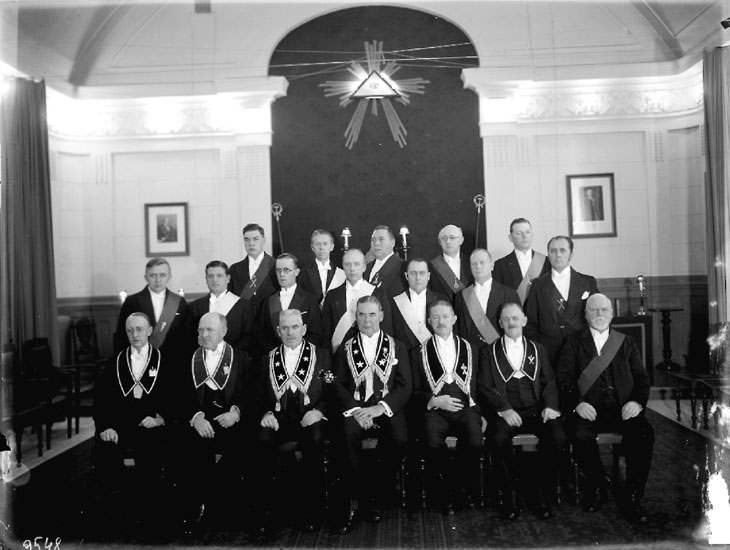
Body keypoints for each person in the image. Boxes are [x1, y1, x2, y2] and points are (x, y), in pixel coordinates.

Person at [556, 294, 653, 523]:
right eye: (594, 310)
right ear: (586, 314)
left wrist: (636, 402)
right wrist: (577, 403)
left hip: (622, 409)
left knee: (644, 434)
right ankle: (597, 484)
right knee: (579, 435)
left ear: (611, 314)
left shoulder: (626, 342)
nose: (599, 314)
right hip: (588, 410)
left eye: (604, 310)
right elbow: (563, 379)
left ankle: (632, 495)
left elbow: (642, 379)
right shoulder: (572, 342)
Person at [330, 295, 412, 534]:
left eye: (372, 314)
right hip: (356, 410)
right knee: (346, 437)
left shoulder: (397, 346)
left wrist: (380, 408)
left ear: (381, 316)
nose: (367, 320)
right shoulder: (345, 348)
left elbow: (405, 386)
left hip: (385, 408)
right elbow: (337, 384)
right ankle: (354, 500)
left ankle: (374, 495)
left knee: (399, 438)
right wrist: (357, 411)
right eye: (362, 314)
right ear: (355, 317)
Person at [478, 302, 565, 520]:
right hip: (507, 411)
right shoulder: (488, 352)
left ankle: (542, 494)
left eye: (515, 318)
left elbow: (549, 382)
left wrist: (550, 406)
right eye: (506, 319)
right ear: (500, 323)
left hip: (536, 410)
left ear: (524, 321)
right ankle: (511, 496)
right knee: (497, 439)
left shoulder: (538, 349)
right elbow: (484, 386)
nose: (511, 322)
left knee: (558, 436)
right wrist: (504, 409)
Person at [93, 312, 173, 529]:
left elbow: (175, 397)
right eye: (130, 330)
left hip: (152, 425)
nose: (135, 334)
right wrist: (106, 426)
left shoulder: (165, 361)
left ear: (149, 331)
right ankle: (117, 511)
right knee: (104, 451)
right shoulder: (115, 362)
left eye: (139, 329)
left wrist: (161, 419)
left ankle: (150, 513)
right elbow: (101, 400)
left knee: (152, 455)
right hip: (121, 425)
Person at [255, 309, 331, 533]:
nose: (290, 333)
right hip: (278, 420)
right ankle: (272, 511)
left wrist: (319, 411)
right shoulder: (267, 359)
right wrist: (265, 414)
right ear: (278, 331)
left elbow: (331, 391)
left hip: (310, 418)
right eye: (285, 328)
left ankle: (311, 511)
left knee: (315, 439)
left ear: (304, 329)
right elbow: (257, 395)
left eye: (295, 327)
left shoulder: (322, 356)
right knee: (262, 439)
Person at [177, 312, 247, 531]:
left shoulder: (241, 358)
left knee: (240, 448)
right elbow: (180, 396)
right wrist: (196, 417)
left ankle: (226, 509)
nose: (204, 334)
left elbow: (252, 393)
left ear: (223, 331)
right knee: (189, 448)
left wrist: (235, 413)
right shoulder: (188, 359)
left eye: (210, 330)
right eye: (200, 330)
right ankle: (196, 507)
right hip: (200, 421)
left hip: (231, 421)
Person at [412, 299, 482, 514]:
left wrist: (481, 413)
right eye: (435, 317)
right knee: (432, 442)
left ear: (454, 319)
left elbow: (480, 386)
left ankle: (460, 488)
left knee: (475, 440)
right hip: (435, 411)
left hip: (465, 409)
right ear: (429, 321)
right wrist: (433, 400)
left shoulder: (471, 349)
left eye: (445, 316)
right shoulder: (418, 352)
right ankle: (444, 494)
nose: (441, 321)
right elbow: (412, 391)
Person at [524, 236, 599, 365]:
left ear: (571, 254)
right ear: (548, 254)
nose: (558, 255)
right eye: (553, 251)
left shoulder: (587, 282)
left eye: (562, 250)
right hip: (548, 353)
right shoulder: (537, 285)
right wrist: (539, 348)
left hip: (580, 351)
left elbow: (597, 317)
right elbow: (530, 323)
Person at [114, 258, 188, 367]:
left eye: (162, 275)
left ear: (169, 277)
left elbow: (185, 336)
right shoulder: (132, 302)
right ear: (146, 277)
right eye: (153, 275)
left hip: (173, 361)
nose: (158, 280)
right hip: (141, 360)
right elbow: (122, 335)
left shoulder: (179, 302)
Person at [322, 248, 390, 352]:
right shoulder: (332, 295)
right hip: (340, 354)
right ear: (343, 267)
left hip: (371, 352)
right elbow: (326, 332)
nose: (352, 269)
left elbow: (386, 328)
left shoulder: (378, 294)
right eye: (347, 264)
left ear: (364, 267)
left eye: (356, 264)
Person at [255, 253, 324, 355]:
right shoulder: (268, 302)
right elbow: (261, 335)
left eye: (286, 270)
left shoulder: (309, 300)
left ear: (297, 272)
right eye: (278, 270)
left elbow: (316, 333)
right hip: (275, 357)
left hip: (303, 356)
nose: (282, 274)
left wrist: (297, 352)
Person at [454, 249, 520, 351]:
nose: (478, 266)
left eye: (482, 262)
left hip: (499, 352)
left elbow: (516, 328)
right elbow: (457, 329)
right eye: (474, 264)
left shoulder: (509, 294)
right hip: (470, 352)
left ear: (492, 265)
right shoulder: (461, 296)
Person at [187, 260, 251, 353]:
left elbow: (249, 337)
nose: (215, 280)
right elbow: (190, 337)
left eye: (219, 276)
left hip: (234, 357)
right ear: (206, 279)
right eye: (210, 276)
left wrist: (228, 354)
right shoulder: (195, 307)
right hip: (203, 357)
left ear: (228, 278)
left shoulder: (243, 306)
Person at [389, 258, 441, 356]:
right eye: (413, 273)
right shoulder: (394, 302)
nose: (418, 278)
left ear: (428, 276)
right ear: (406, 276)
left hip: (434, 356)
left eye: (422, 273)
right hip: (404, 357)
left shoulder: (441, 300)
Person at [492, 218, 550, 304]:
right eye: (519, 233)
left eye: (527, 232)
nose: (524, 236)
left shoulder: (546, 262)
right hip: (514, 311)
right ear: (510, 238)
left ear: (532, 235)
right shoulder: (501, 265)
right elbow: (498, 296)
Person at [228, 223, 278, 320]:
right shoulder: (234, 269)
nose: (251, 243)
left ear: (264, 240)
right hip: (243, 320)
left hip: (269, 319)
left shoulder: (275, 266)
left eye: (255, 239)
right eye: (247, 239)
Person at [297, 229, 346, 307]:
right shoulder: (303, 274)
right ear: (312, 247)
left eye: (325, 244)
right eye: (317, 244)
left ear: (332, 247)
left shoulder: (341, 274)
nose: (321, 247)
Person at [428, 224, 473, 303]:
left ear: (461, 240)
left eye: (452, 238)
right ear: (439, 242)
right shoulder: (431, 267)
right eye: (444, 238)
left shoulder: (472, 264)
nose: (448, 241)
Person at [363, 225, 406, 298]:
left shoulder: (402, 267)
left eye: (381, 239)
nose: (376, 243)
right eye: (373, 240)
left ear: (392, 243)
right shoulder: (366, 268)